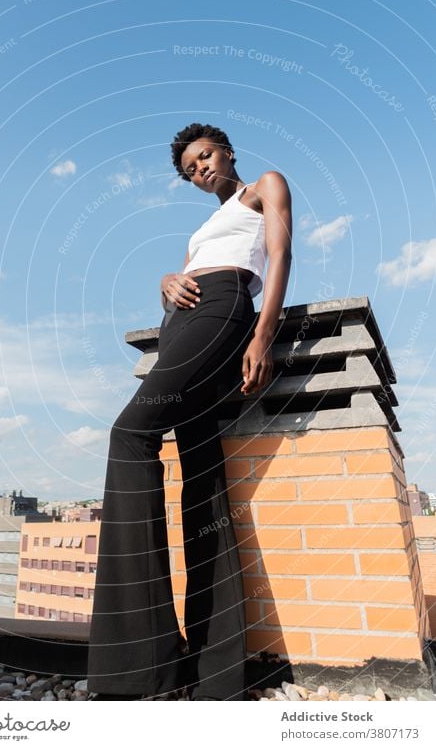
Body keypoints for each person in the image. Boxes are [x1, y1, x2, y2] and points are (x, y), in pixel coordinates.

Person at [86, 122, 292, 701]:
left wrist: (262, 336)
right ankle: (213, 665)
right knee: (200, 474)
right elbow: (182, 277)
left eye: (205, 156)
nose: (200, 167)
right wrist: (167, 278)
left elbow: (279, 256)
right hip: (183, 319)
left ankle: (138, 657)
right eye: (190, 168)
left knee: (129, 433)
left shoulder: (265, 186)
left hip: (224, 309)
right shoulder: (204, 226)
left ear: (228, 151)